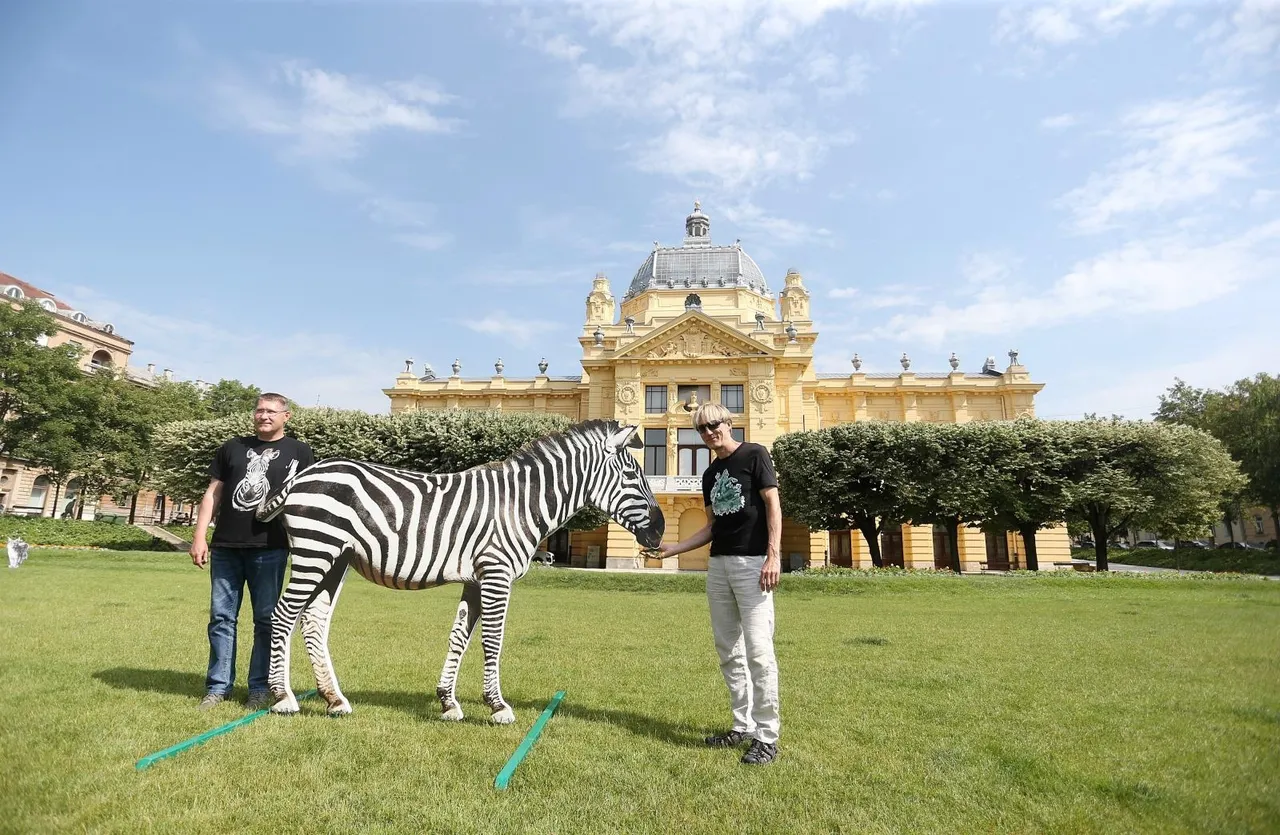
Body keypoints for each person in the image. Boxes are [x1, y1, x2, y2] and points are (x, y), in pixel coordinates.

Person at [657, 402, 783, 765]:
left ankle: (767, 736)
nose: (709, 432)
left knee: (759, 652)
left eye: (714, 424)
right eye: (701, 428)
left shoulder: (755, 454)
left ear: (728, 423)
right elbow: (714, 526)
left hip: (753, 564)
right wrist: (675, 549)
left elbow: (773, 506)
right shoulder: (710, 475)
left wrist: (772, 555)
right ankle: (740, 726)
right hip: (719, 567)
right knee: (729, 651)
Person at [189, 393, 314, 711]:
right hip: (226, 548)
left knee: (267, 621)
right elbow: (212, 495)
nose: (264, 415)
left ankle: (260, 687)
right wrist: (199, 537)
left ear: (286, 415)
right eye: (259, 410)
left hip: (270, 549)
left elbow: (307, 502)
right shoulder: (232, 447)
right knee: (221, 619)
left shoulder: (300, 452)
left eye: (271, 411)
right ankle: (218, 688)